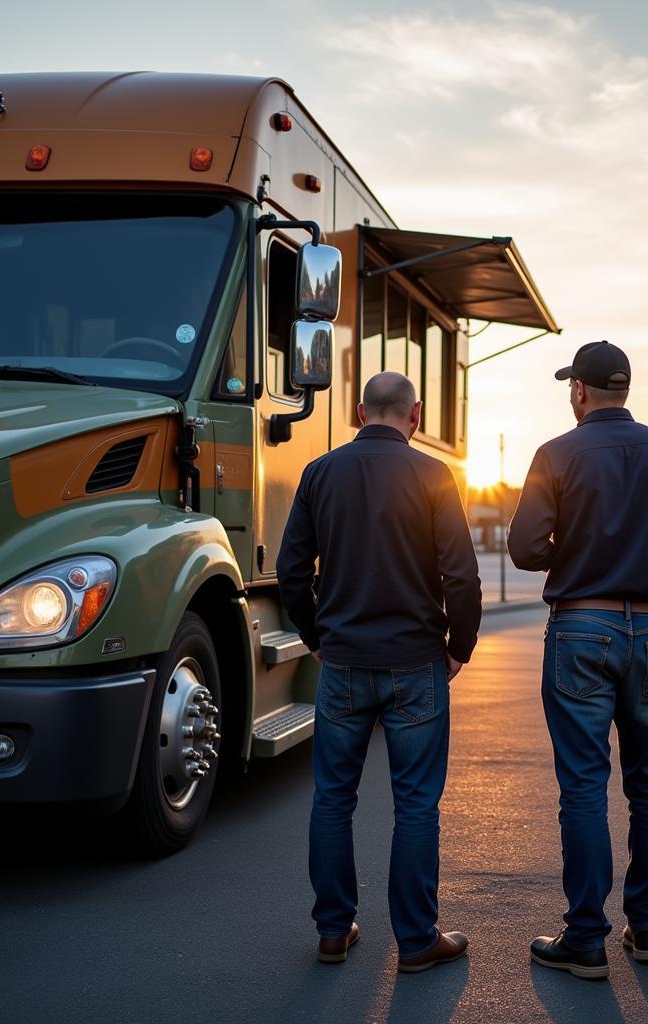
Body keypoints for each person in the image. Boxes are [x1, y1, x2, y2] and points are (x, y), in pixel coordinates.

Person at [508, 341, 648, 980]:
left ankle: (586, 939)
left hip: (581, 630)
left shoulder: (556, 454)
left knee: (584, 787)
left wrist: (575, 550)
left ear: (581, 391)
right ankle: (647, 928)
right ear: (623, 389)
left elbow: (521, 548)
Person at [277, 371, 482, 973]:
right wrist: (458, 647)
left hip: (342, 664)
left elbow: (293, 570)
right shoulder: (433, 475)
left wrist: (316, 637)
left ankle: (333, 931)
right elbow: (463, 577)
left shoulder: (321, 473)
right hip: (417, 663)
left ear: (358, 412)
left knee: (333, 799)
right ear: (415, 415)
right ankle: (418, 941)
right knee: (416, 805)